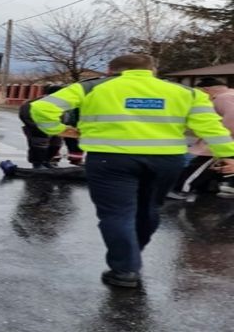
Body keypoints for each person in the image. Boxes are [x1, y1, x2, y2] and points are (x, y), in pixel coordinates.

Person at [30, 54, 234, 288]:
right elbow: (212, 128)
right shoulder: (187, 93)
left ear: (110, 69)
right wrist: (229, 155)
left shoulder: (91, 87)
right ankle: (132, 252)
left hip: (110, 160)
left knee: (117, 213)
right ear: (152, 70)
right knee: (149, 209)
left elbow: (41, 108)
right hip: (166, 161)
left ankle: (125, 269)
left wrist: (58, 129)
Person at [169, 77, 234, 200]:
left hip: (225, 138)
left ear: (206, 90)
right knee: (223, 163)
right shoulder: (231, 94)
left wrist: (222, 134)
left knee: (201, 163)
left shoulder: (222, 98)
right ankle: (219, 185)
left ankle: (181, 188)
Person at [19, 85, 65, 168]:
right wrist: (36, 126)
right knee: (39, 147)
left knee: (55, 146)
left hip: (55, 129)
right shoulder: (35, 102)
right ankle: (37, 164)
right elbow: (25, 114)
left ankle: (46, 161)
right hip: (38, 129)